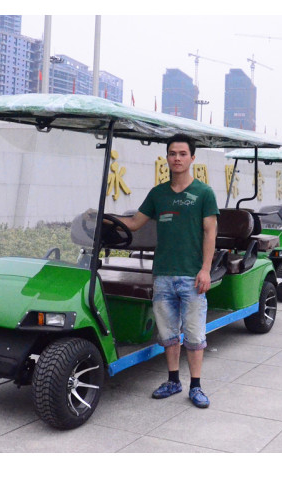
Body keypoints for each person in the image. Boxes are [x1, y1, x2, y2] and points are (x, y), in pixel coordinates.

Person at [115, 135, 218, 408]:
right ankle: (173, 380)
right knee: (168, 334)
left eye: (183, 153)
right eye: (172, 153)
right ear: (167, 158)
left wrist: (206, 270)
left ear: (192, 158)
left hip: (193, 275)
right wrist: (106, 218)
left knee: (195, 336)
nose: (177, 158)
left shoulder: (204, 193)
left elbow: (210, 233)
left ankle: (195, 386)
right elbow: (135, 222)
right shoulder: (158, 194)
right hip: (163, 275)